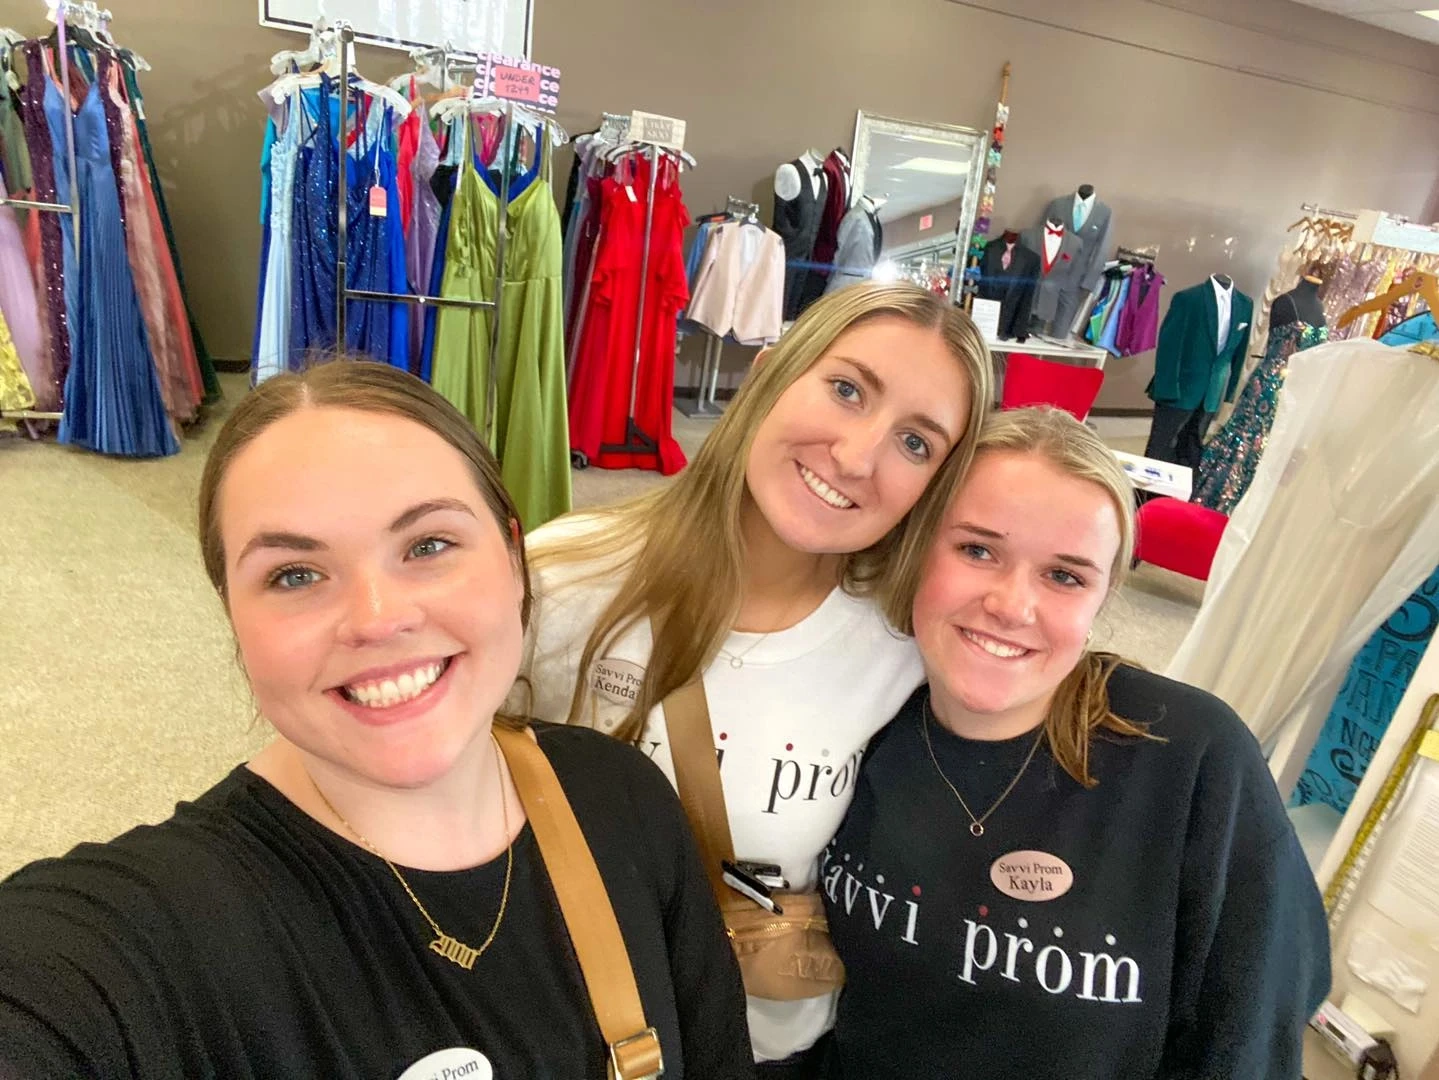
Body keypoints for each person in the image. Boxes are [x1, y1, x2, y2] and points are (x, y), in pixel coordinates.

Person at [0, 361, 751, 1079]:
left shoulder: (620, 798)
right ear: (232, 615)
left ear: (513, 557)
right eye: (295, 575)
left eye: (428, 545)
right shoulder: (145, 931)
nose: (377, 619)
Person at [521, 283, 993, 1075]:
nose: (856, 456)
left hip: (766, 1049)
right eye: (846, 390)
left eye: (915, 442)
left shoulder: (909, 648)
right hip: (569, 1035)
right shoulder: (561, 580)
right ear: (769, 373)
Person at [822, 406, 1330, 1079]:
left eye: (1064, 576)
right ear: (918, 549)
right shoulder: (860, 712)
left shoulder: (1195, 761)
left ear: (1103, 597)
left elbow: (1250, 1040)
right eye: (977, 550)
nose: (1011, 605)